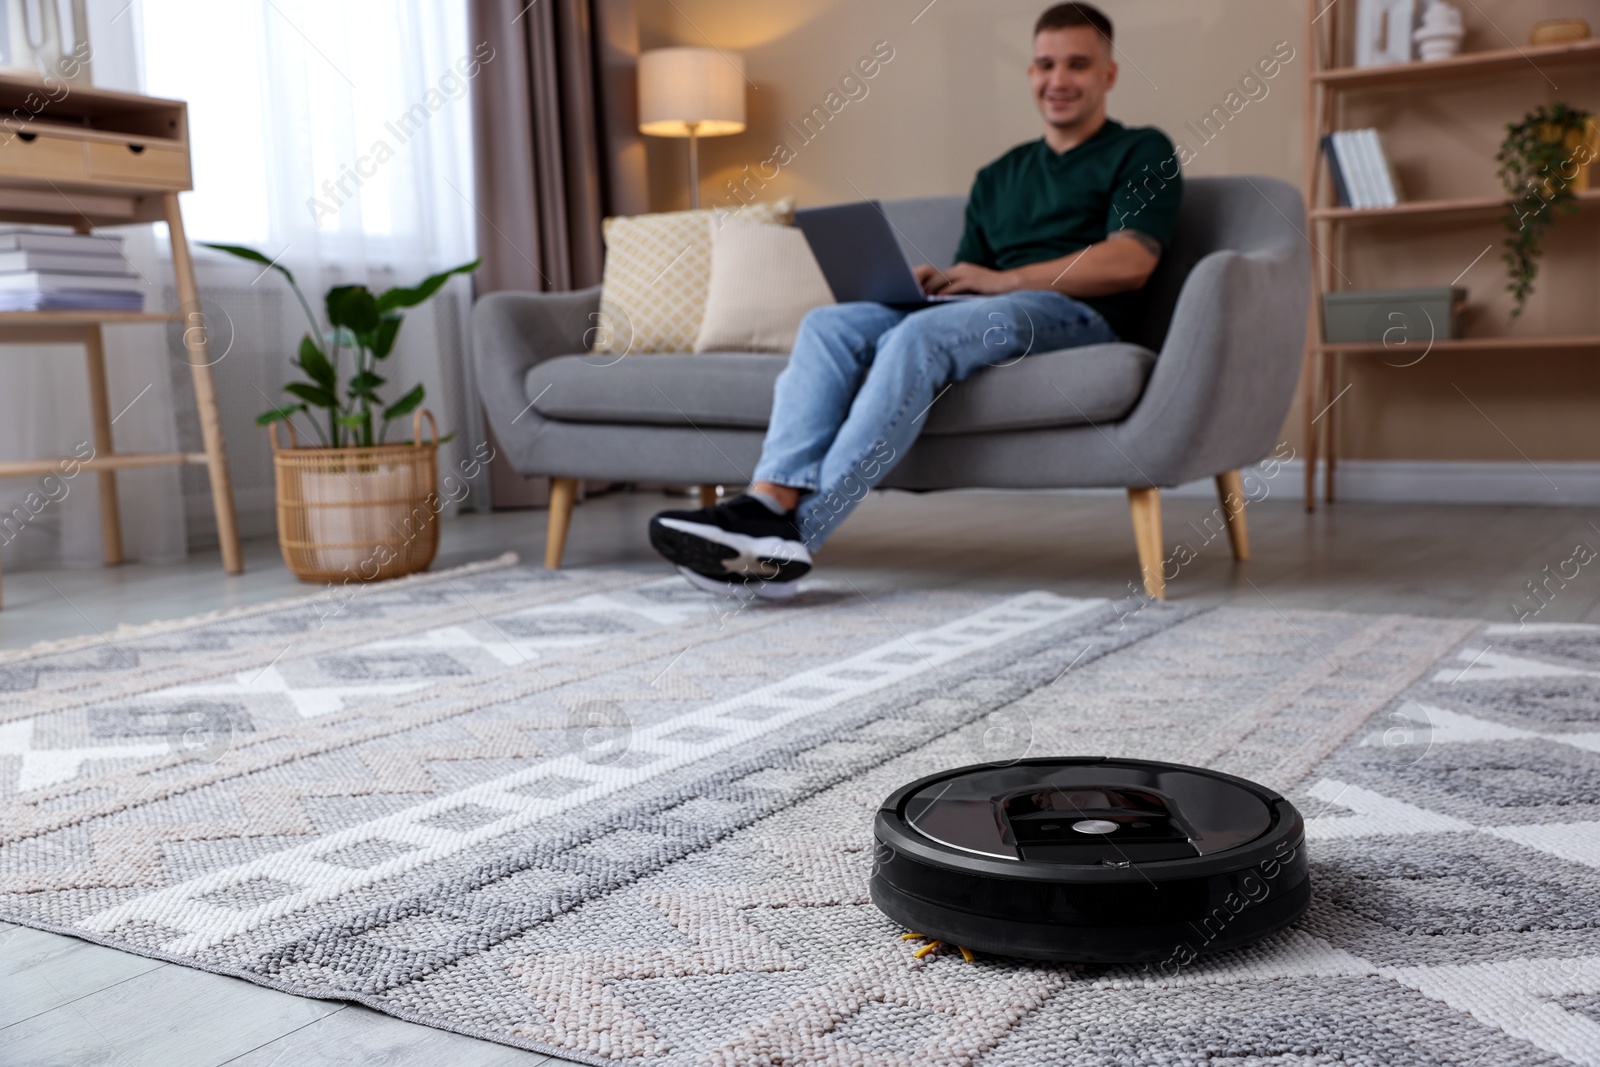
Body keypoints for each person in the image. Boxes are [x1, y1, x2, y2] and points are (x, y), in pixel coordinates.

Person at [649, 1, 1182, 599]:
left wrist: (1002, 280)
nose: (1058, 80)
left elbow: (1131, 262)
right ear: (1030, 74)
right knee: (830, 323)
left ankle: (794, 538)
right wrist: (944, 282)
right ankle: (768, 499)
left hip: (1077, 316)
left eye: (1077, 65)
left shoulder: (1142, 150)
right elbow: (973, 279)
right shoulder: (998, 175)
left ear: (1108, 74)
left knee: (916, 337)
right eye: (1044, 65)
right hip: (988, 313)